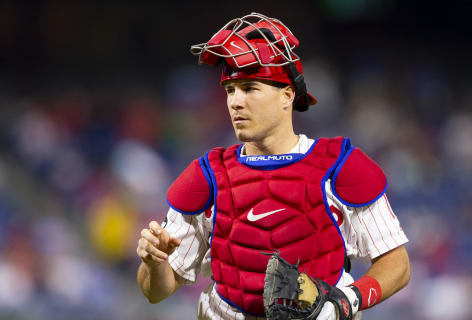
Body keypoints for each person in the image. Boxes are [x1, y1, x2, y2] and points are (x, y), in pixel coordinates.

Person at [137, 12, 410, 320]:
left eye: (250, 88)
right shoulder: (207, 176)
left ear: (287, 95)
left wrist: (347, 301)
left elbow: (397, 263)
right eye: (230, 90)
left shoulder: (338, 167)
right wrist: (154, 262)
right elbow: (155, 292)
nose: (235, 102)